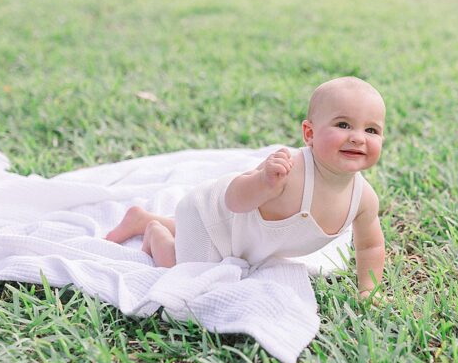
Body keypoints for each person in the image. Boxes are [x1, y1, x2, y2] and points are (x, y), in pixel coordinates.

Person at [105, 76, 387, 299]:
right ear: (309, 134)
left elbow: (370, 246)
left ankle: (145, 218)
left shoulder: (363, 199)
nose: (358, 138)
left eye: (371, 130)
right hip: (208, 214)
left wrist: (368, 290)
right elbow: (234, 202)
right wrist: (264, 181)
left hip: (241, 235)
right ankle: (155, 233)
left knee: (224, 241)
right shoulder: (289, 169)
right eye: (343, 124)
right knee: (188, 275)